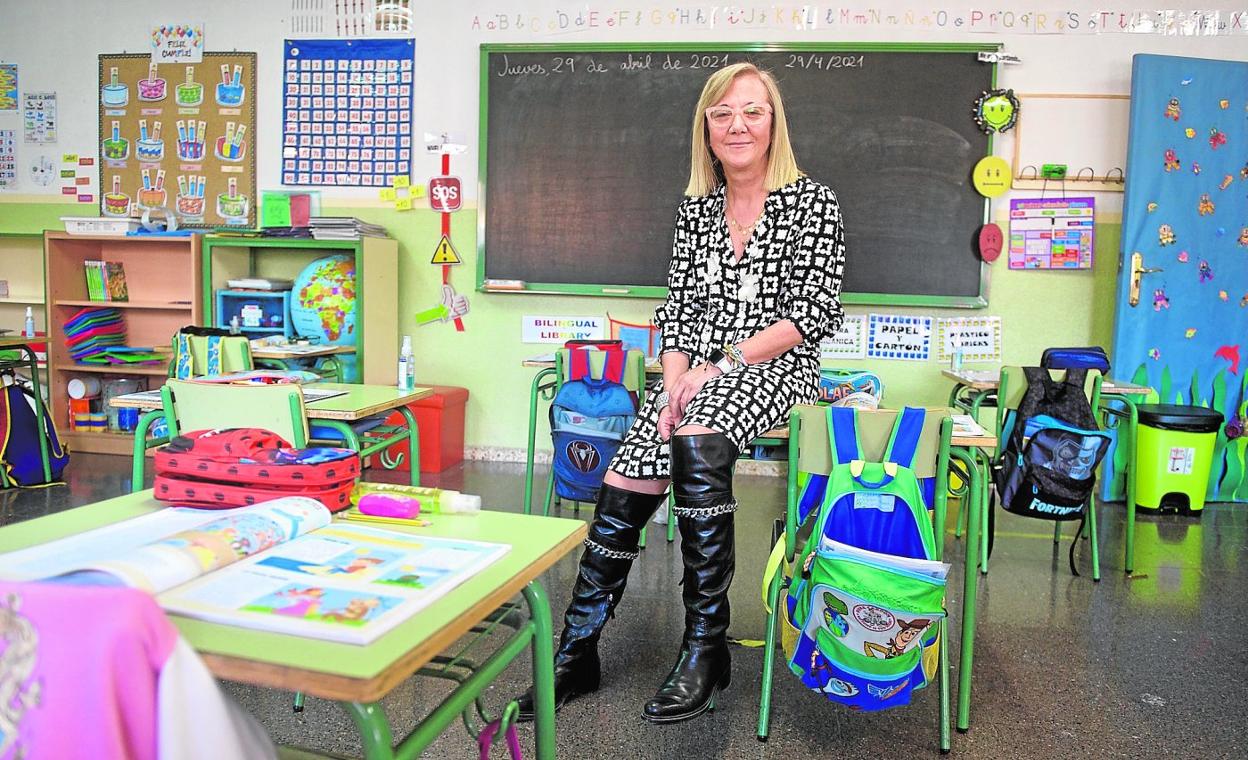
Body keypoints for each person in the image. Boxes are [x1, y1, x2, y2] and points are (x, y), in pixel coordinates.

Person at [518, 62, 847, 724]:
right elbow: (677, 313)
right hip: (694, 375)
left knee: (697, 435)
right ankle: (578, 651)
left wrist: (716, 367)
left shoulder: (814, 201)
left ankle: (705, 647)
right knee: (628, 472)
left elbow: (810, 312)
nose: (738, 126)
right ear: (706, 126)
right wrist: (671, 382)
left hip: (777, 367)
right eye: (722, 114)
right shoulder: (697, 208)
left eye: (752, 111)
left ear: (774, 122)